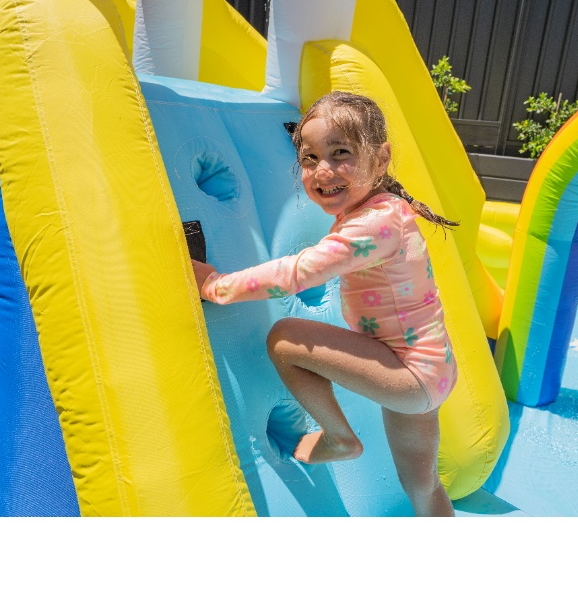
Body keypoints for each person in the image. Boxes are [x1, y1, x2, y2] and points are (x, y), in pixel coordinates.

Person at [190, 91, 460, 517]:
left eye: (340, 153)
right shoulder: (387, 209)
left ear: (381, 159)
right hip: (432, 369)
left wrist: (217, 286)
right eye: (310, 158)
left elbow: (297, 272)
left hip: (409, 375)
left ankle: (339, 438)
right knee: (422, 483)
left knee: (284, 338)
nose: (323, 170)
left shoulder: (374, 225)